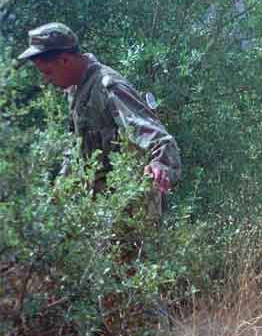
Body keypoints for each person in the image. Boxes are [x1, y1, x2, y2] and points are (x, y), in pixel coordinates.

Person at [18, 22, 181, 216]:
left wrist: (160, 165)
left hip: (132, 211)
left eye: (48, 72)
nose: (46, 80)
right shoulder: (76, 90)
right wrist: (59, 190)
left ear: (64, 61)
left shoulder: (107, 87)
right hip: (103, 210)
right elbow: (77, 148)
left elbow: (160, 139)